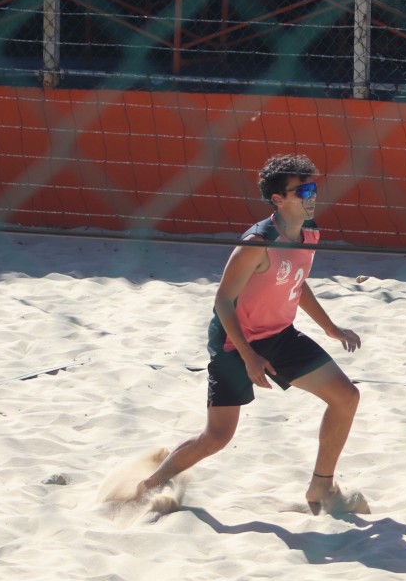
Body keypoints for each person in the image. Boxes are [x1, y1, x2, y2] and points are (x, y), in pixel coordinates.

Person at [134, 153, 362, 514]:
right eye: (302, 189)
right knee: (217, 437)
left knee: (346, 397)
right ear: (278, 199)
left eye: (313, 186)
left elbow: (297, 283)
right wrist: (247, 355)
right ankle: (148, 485)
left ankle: (321, 487)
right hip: (234, 340)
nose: (311, 194)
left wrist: (330, 328)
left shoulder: (310, 232)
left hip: (279, 334)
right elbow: (223, 301)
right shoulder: (257, 243)